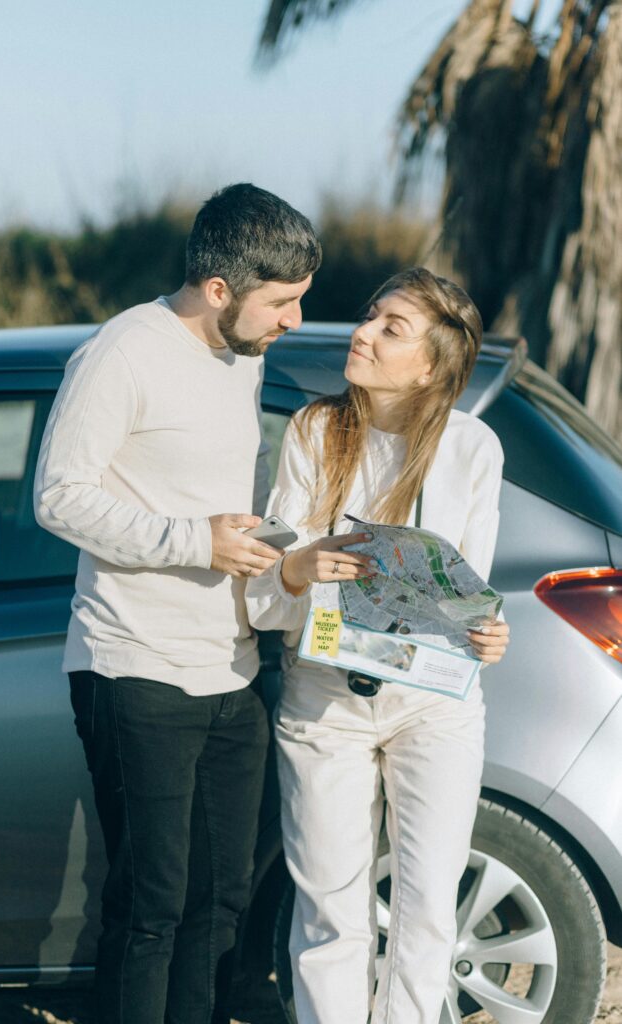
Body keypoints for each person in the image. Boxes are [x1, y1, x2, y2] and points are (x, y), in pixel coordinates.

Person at [33, 182, 321, 1024]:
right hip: (135, 667)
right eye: (284, 303)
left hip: (232, 669)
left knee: (221, 901)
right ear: (220, 289)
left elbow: (220, 490)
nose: (295, 321)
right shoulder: (120, 353)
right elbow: (57, 497)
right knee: (152, 905)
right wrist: (194, 541)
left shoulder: (244, 355)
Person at [245, 267, 510, 1024]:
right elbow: (268, 588)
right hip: (324, 698)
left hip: (433, 705)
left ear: (430, 364)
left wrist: (487, 634)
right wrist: (295, 567)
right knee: (331, 910)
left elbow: (468, 592)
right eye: (372, 315)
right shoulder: (314, 432)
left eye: (390, 327)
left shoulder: (472, 450)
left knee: (426, 910)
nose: (361, 331)